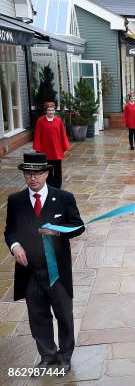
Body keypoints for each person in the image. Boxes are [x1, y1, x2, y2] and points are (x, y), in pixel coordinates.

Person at [4, 153, 85, 374]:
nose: (33, 178)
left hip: (56, 271)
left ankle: (65, 356)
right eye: (28, 174)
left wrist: (58, 231)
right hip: (29, 271)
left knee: (64, 314)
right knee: (38, 316)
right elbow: (9, 231)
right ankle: (47, 356)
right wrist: (15, 246)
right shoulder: (16, 201)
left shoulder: (64, 198)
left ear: (47, 173)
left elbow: (78, 226)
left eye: (38, 173)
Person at [33, 102, 70, 189]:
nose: (51, 112)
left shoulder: (58, 121)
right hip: (45, 150)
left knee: (57, 170)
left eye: (53, 110)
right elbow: (37, 135)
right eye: (49, 110)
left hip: (56, 150)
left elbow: (63, 134)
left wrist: (65, 146)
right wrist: (38, 148)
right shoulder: (40, 121)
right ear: (45, 111)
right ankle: (49, 187)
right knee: (47, 170)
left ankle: (57, 187)